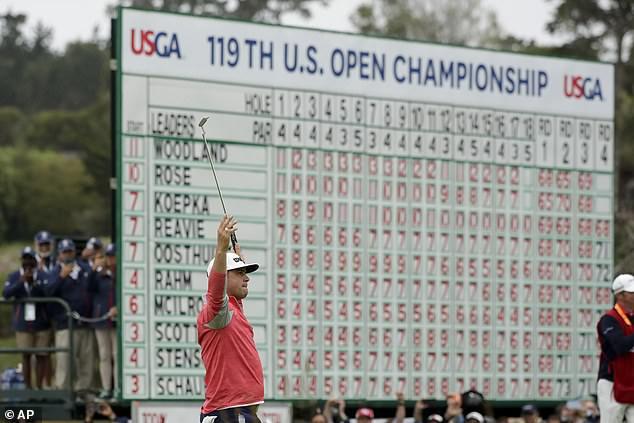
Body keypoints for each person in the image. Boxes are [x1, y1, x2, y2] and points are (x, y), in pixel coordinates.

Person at [197, 215, 263, 423]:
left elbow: (228, 291)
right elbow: (216, 291)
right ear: (223, 277)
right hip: (225, 413)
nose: (247, 277)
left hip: (242, 412)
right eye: (240, 272)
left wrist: (236, 257)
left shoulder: (235, 308)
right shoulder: (215, 312)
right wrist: (220, 249)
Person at [44, 238, 95, 392]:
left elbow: (95, 289)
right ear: (59, 254)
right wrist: (61, 277)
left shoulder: (85, 269)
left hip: (85, 323)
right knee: (65, 363)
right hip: (65, 324)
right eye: (64, 252)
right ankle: (63, 393)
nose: (67, 255)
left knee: (86, 362)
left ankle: (83, 393)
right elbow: (48, 292)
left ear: (74, 252)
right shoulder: (54, 271)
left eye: (69, 251)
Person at [2, 247, 51, 388]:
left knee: (42, 355)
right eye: (25, 259)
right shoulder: (14, 276)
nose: (28, 263)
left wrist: (34, 284)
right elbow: (6, 293)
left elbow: (48, 292)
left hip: (41, 322)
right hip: (23, 323)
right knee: (26, 355)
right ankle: (28, 387)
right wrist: (21, 282)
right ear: (21, 261)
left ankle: (40, 387)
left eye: (31, 259)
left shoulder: (42, 276)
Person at [597, 273, 634, 423]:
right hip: (612, 382)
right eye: (631, 292)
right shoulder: (609, 319)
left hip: (631, 380)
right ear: (620, 295)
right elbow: (620, 346)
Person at [88, 243, 117, 399]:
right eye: (109, 256)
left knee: (116, 355)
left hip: (117, 321)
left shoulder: (120, 274)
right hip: (102, 319)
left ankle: (118, 388)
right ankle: (106, 388)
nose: (111, 260)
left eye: (113, 256)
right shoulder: (99, 275)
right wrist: (93, 269)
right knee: (104, 355)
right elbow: (89, 288)